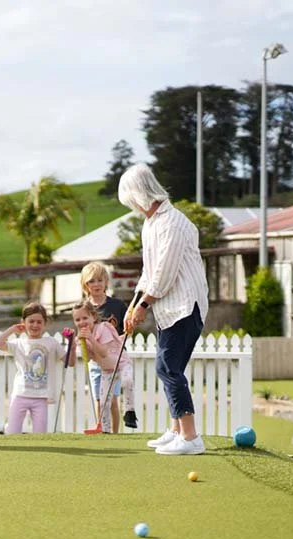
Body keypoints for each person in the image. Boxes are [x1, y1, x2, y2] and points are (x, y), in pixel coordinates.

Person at [118, 163, 209, 455]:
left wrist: (143, 306)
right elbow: (149, 271)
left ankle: (191, 437)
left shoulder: (173, 222)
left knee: (167, 368)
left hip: (185, 305)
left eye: (130, 200)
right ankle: (176, 431)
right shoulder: (151, 223)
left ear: (139, 194)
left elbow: (165, 275)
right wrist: (132, 307)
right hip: (168, 309)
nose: (131, 206)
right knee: (173, 368)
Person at [0, 302, 75, 434]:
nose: (35, 325)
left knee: (40, 434)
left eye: (39, 322)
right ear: (23, 322)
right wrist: (13, 329)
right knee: (12, 432)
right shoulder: (18, 343)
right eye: (31, 321)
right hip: (20, 394)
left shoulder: (51, 343)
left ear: (45, 323)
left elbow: (70, 362)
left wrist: (73, 344)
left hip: (41, 397)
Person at [80, 261, 137, 429]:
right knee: (100, 399)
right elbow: (81, 330)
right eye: (91, 281)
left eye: (99, 280)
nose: (96, 284)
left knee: (112, 400)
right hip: (96, 361)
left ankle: (115, 435)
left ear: (106, 281)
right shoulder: (85, 308)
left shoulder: (117, 305)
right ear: (85, 285)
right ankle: (102, 431)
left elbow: (126, 330)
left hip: (114, 361)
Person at [72, 300, 133, 434]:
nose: (81, 322)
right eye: (77, 320)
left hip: (121, 364)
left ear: (93, 317)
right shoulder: (83, 336)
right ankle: (105, 430)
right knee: (103, 402)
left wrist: (91, 339)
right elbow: (88, 358)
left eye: (85, 318)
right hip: (107, 370)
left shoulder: (103, 328)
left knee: (127, 382)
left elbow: (104, 352)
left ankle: (130, 412)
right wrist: (81, 343)